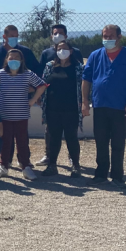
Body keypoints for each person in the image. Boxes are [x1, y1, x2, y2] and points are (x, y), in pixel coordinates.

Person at [82, 24, 126, 189]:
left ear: (119, 37)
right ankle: (101, 174)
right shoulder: (95, 56)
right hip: (100, 105)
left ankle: (117, 177)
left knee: (118, 143)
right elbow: (86, 79)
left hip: (120, 107)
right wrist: (84, 101)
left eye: (111, 36)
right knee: (100, 141)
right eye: (105, 36)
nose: (107, 39)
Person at [0, 49, 47, 180]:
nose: (13, 60)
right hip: (4, 114)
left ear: (21, 60)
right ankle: (4, 166)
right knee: (5, 141)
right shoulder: (0, 74)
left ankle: (25, 167)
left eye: (16, 58)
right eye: (11, 57)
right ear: (6, 60)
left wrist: (32, 100)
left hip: (21, 114)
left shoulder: (27, 74)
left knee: (22, 141)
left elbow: (42, 85)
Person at [35, 24, 83, 167]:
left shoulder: (78, 66)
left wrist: (84, 100)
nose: (62, 51)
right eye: (55, 33)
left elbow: (83, 83)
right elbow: (41, 78)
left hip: (71, 108)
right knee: (52, 135)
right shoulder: (48, 61)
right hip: (52, 107)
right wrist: (37, 96)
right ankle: (50, 159)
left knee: (71, 137)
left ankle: (74, 162)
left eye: (60, 33)